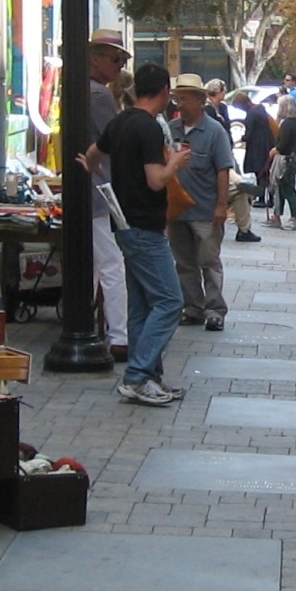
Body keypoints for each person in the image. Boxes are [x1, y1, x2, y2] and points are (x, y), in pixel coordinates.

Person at [79, 63, 193, 406]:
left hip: (123, 222)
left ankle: (151, 377)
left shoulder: (120, 121)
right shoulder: (148, 128)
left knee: (143, 303)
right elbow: (156, 180)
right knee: (171, 301)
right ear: (163, 92)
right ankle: (137, 374)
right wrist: (175, 162)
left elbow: (92, 155)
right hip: (145, 225)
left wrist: (96, 170)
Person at [166, 74, 235, 332]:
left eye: (184, 99)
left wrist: (221, 206)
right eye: (177, 98)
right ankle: (192, 307)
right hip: (177, 211)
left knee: (209, 261)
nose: (179, 104)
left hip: (205, 210)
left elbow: (223, 169)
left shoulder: (214, 131)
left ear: (200, 100)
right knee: (183, 262)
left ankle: (215, 309)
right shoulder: (171, 130)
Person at [85, 29, 133, 362]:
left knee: (96, 264)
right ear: (96, 59)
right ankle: (120, 334)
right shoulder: (98, 96)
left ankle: (101, 328)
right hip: (99, 190)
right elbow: (115, 139)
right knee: (112, 264)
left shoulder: (86, 91)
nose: (120, 65)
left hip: (91, 187)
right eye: (116, 59)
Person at [230, 91, 273, 242]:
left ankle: (261, 196)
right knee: (264, 170)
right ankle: (268, 196)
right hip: (266, 143)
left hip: (256, 146)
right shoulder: (260, 109)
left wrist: (239, 139)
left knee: (259, 171)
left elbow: (248, 134)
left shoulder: (251, 114)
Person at [264, 97, 296, 231]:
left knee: (287, 188)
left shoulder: (288, 124)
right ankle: (277, 216)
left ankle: (294, 218)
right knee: (280, 189)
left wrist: (275, 149)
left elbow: (284, 144)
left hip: (287, 159)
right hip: (292, 157)